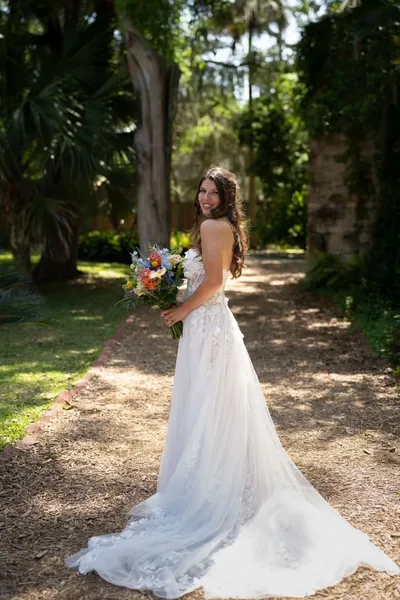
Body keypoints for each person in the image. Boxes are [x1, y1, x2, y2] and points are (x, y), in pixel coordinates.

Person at [65, 166, 399, 598]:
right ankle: (215, 479)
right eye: (202, 190)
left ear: (226, 196)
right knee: (211, 405)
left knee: (208, 404)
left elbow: (215, 283)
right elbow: (206, 280)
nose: (205, 198)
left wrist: (180, 310)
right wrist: (169, 289)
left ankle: (212, 492)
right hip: (209, 326)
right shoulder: (220, 225)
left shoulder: (211, 226)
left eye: (213, 192)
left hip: (207, 325)